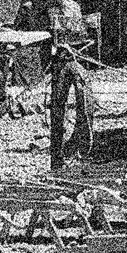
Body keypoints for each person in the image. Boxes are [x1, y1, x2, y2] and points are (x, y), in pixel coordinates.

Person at [48, 36, 98, 171]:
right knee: (58, 110)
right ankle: (57, 159)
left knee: (85, 106)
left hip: (76, 61)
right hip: (60, 63)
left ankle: (80, 151)